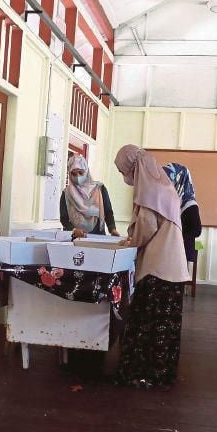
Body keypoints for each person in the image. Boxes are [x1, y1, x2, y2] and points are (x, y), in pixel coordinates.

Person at [114, 145, 191, 389]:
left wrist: (129, 241)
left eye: (125, 172)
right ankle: (161, 374)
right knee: (165, 326)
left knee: (145, 323)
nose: (126, 178)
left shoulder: (149, 191)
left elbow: (146, 227)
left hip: (158, 269)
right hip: (173, 268)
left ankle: (140, 374)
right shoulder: (165, 187)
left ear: (134, 168)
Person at [59, 153, 119, 239]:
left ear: (86, 171)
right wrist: (73, 229)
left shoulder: (99, 189)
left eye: (80, 172)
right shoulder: (66, 194)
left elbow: (108, 211)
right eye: (74, 174)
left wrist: (112, 229)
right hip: (75, 238)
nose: (78, 177)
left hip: (97, 237)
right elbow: (64, 218)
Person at [163, 162, 202, 263]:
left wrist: (179, 234)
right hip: (173, 253)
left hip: (181, 255)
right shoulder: (173, 199)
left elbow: (197, 230)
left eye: (169, 180)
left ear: (177, 180)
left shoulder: (189, 203)